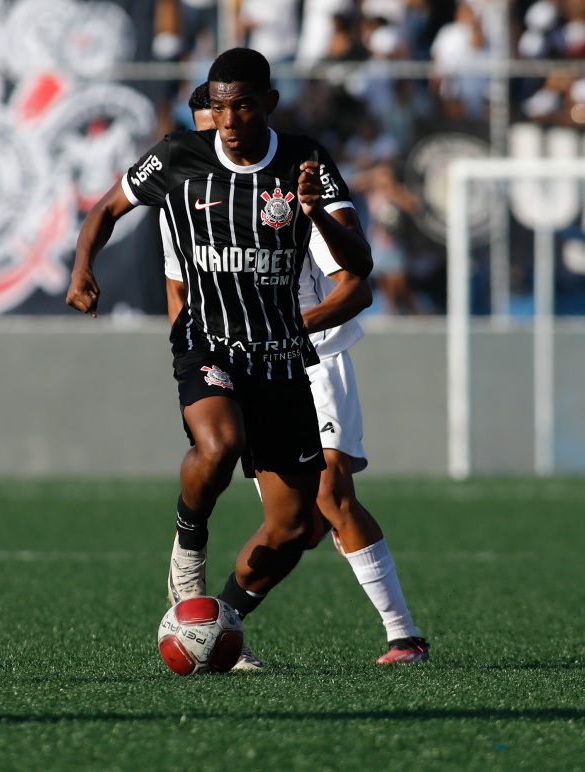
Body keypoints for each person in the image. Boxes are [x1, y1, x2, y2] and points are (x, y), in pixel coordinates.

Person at [67, 48, 373, 670]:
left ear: (269, 105)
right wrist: (83, 269)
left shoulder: (303, 162)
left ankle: (217, 623)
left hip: (282, 355)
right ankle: (187, 547)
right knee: (220, 442)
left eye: (242, 105)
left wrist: (316, 214)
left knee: (294, 530)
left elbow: (359, 266)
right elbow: (104, 209)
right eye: (219, 105)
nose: (228, 119)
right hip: (206, 340)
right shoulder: (179, 156)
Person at [165, 84, 430, 664]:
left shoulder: (290, 185)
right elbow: (180, 293)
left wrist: (285, 326)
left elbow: (355, 285)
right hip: (241, 366)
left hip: (314, 358)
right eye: (206, 129)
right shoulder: (182, 194)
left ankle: (402, 635)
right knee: (298, 527)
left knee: (332, 494)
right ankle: (220, 629)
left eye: (230, 120)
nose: (220, 136)